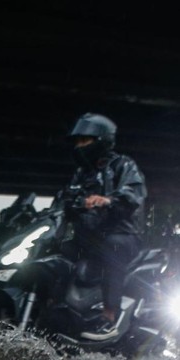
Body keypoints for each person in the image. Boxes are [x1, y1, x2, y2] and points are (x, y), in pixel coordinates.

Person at [58, 112, 147, 340]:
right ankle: (58, 310)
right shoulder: (81, 173)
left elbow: (133, 194)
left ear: (102, 140)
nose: (79, 146)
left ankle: (109, 318)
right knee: (55, 251)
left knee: (112, 247)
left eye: (84, 141)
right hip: (90, 237)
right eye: (77, 142)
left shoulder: (123, 165)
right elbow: (64, 198)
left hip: (122, 233)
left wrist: (108, 200)